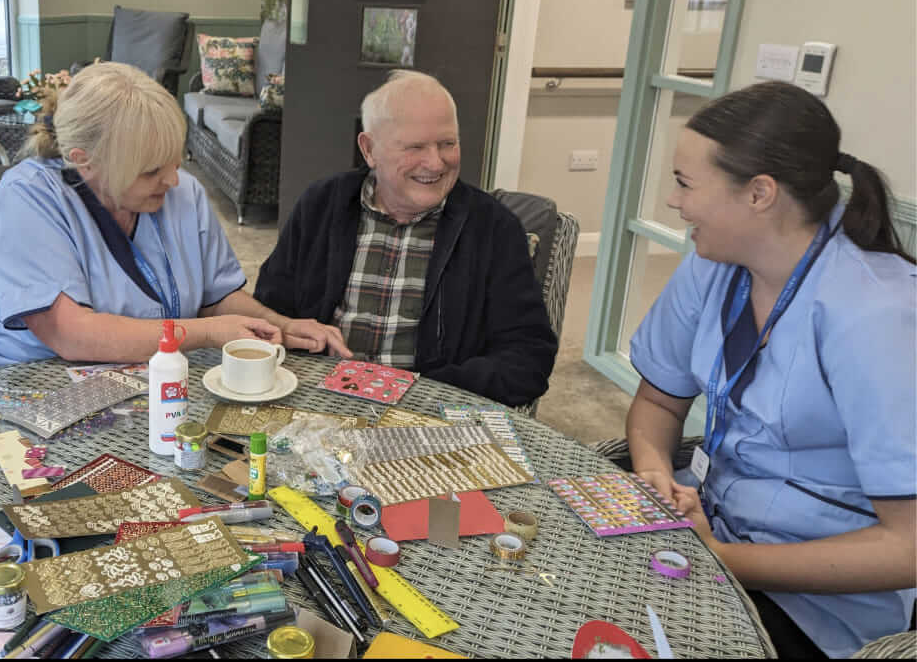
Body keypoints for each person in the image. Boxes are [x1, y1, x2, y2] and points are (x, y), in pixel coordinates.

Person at [624, 81, 915, 658]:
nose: (673, 203)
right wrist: (657, 475)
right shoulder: (714, 263)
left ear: (759, 193)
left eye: (685, 184)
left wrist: (719, 559)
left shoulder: (875, 316)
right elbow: (657, 403)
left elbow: (907, 546)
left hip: (815, 605)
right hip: (709, 539)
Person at [0, 62, 349, 377]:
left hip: (137, 389)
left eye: (175, 162)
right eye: (149, 170)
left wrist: (277, 323)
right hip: (21, 388)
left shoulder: (183, 194)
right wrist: (205, 334)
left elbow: (217, 299)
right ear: (83, 161)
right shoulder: (28, 199)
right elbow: (72, 335)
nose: (172, 180)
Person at [254, 70, 558, 407]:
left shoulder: (494, 229)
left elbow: (529, 359)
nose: (435, 162)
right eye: (415, 147)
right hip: (318, 403)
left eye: (448, 143)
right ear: (369, 150)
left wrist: (419, 391)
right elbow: (268, 313)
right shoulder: (323, 204)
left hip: (430, 416)